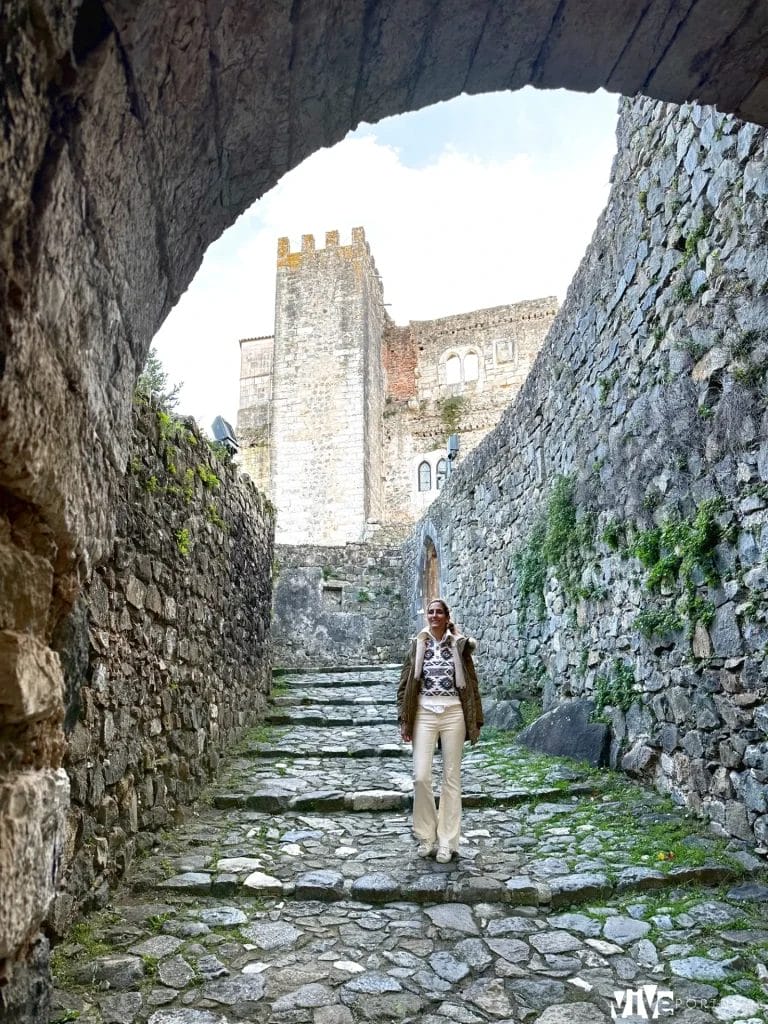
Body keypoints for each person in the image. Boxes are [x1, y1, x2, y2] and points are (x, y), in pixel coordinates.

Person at [396, 598, 483, 863]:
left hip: (453, 713)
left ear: (447, 616)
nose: (434, 616)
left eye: (439, 612)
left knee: (451, 777)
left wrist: (457, 637)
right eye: (430, 612)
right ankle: (426, 836)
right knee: (421, 776)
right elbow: (404, 684)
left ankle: (447, 841)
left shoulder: (459, 645)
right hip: (423, 713)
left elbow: (471, 670)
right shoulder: (417, 644)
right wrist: (404, 720)